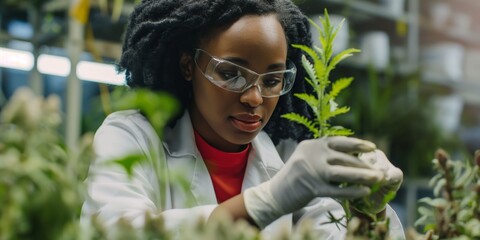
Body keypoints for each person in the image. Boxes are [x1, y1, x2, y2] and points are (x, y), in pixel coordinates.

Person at [81, 0, 405, 239]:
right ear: (187, 66)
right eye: (230, 74)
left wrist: (371, 212)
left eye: (272, 79)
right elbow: (115, 231)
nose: (254, 99)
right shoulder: (130, 136)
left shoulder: (292, 155)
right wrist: (266, 201)